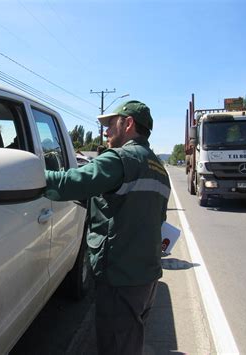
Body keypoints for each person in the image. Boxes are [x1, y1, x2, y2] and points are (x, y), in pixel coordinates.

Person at [44, 100, 170, 355]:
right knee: (130, 339)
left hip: (120, 276)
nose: (105, 131)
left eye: (111, 124)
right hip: (146, 276)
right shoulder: (158, 168)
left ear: (129, 124)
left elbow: (71, 182)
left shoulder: (120, 159)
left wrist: (32, 176)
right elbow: (134, 208)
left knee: (117, 346)